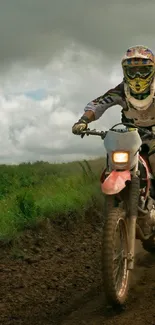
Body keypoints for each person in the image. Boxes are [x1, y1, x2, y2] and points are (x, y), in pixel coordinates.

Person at [72, 45, 155, 234]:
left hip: (154, 135)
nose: (137, 76)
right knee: (113, 162)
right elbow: (98, 104)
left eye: (143, 70)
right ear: (125, 71)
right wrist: (84, 121)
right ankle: (117, 204)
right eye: (132, 71)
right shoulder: (120, 90)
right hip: (131, 134)